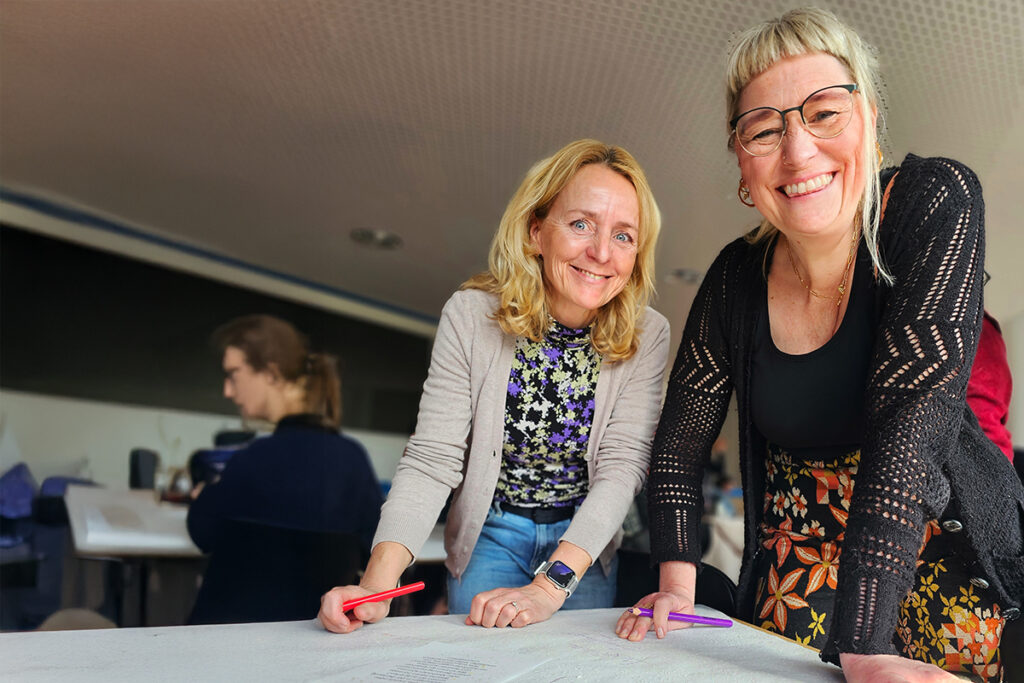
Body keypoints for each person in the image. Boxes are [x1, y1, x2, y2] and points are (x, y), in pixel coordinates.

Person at [617, 8, 1023, 683]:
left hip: (937, 549)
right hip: (795, 573)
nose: (798, 151)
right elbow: (681, 442)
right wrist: (677, 586)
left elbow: (911, 427)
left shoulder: (930, 202)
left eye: (824, 113)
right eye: (764, 129)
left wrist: (863, 640)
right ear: (741, 161)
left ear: (870, 120)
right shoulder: (733, 278)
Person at [319, 139, 669, 633]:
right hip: (490, 534)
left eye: (624, 236)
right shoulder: (470, 316)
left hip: (583, 542)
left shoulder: (648, 333)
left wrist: (550, 586)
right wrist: (375, 585)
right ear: (535, 231)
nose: (601, 252)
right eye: (580, 224)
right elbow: (433, 458)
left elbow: (622, 469)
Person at [187, 315, 382, 557]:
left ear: (271, 373)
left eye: (233, 373)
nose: (227, 391)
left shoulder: (253, 459)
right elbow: (373, 546)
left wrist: (203, 496)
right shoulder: (353, 458)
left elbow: (203, 533)